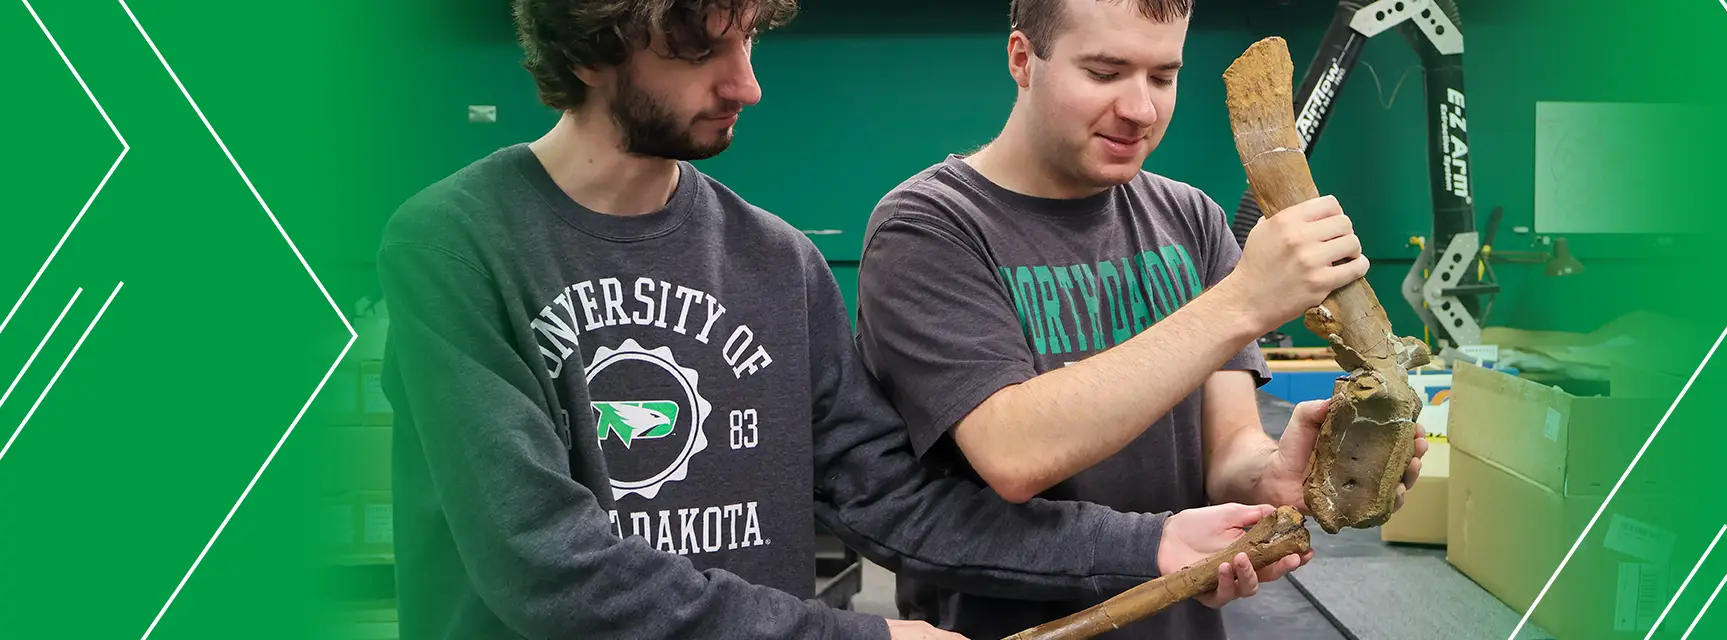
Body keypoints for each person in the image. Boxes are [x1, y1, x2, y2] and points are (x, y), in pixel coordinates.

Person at [375, 1, 1290, 639]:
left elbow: (894, 502)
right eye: (701, 52)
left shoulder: (777, 263)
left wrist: (1151, 541)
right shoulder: (456, 246)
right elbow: (544, 563)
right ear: (589, 45)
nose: (748, 85)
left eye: (750, 44)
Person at [852, 0, 1429, 638]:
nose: (1141, 110)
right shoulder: (929, 229)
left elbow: (1228, 447)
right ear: (1023, 58)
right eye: (1104, 72)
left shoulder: (1193, 220)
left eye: (1162, 76)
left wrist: (1272, 473)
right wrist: (1243, 300)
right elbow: (1011, 450)